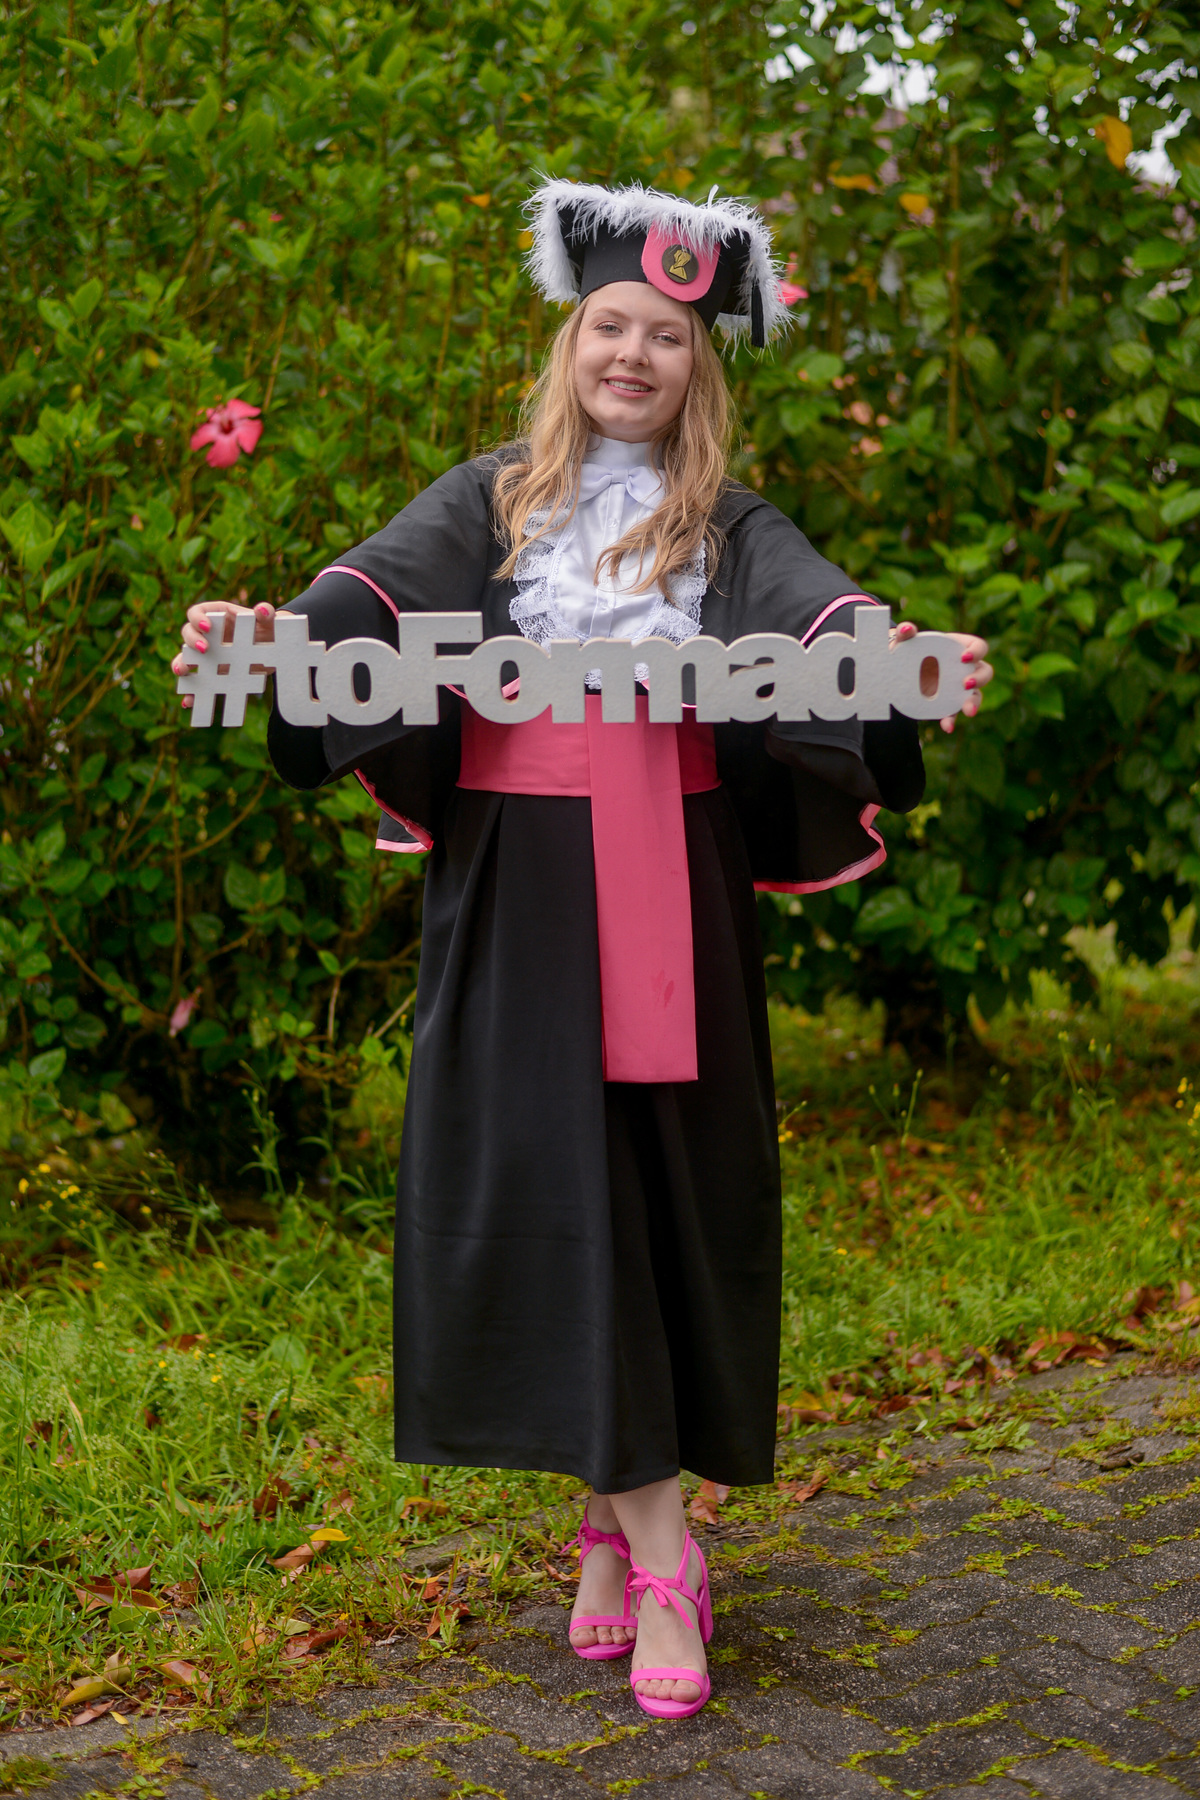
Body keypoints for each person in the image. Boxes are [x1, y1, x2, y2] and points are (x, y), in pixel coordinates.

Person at [174, 179, 992, 1719]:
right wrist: (269, 644)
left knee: (654, 1198)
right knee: (544, 1193)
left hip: (673, 885)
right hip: (517, 893)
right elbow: (360, 598)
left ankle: (634, 1542)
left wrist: (887, 664)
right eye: (611, 325)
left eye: (666, 337)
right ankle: (652, 1542)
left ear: (698, 365)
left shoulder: (727, 525)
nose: (633, 354)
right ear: (572, 340)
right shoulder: (488, 501)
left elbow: (817, 612)